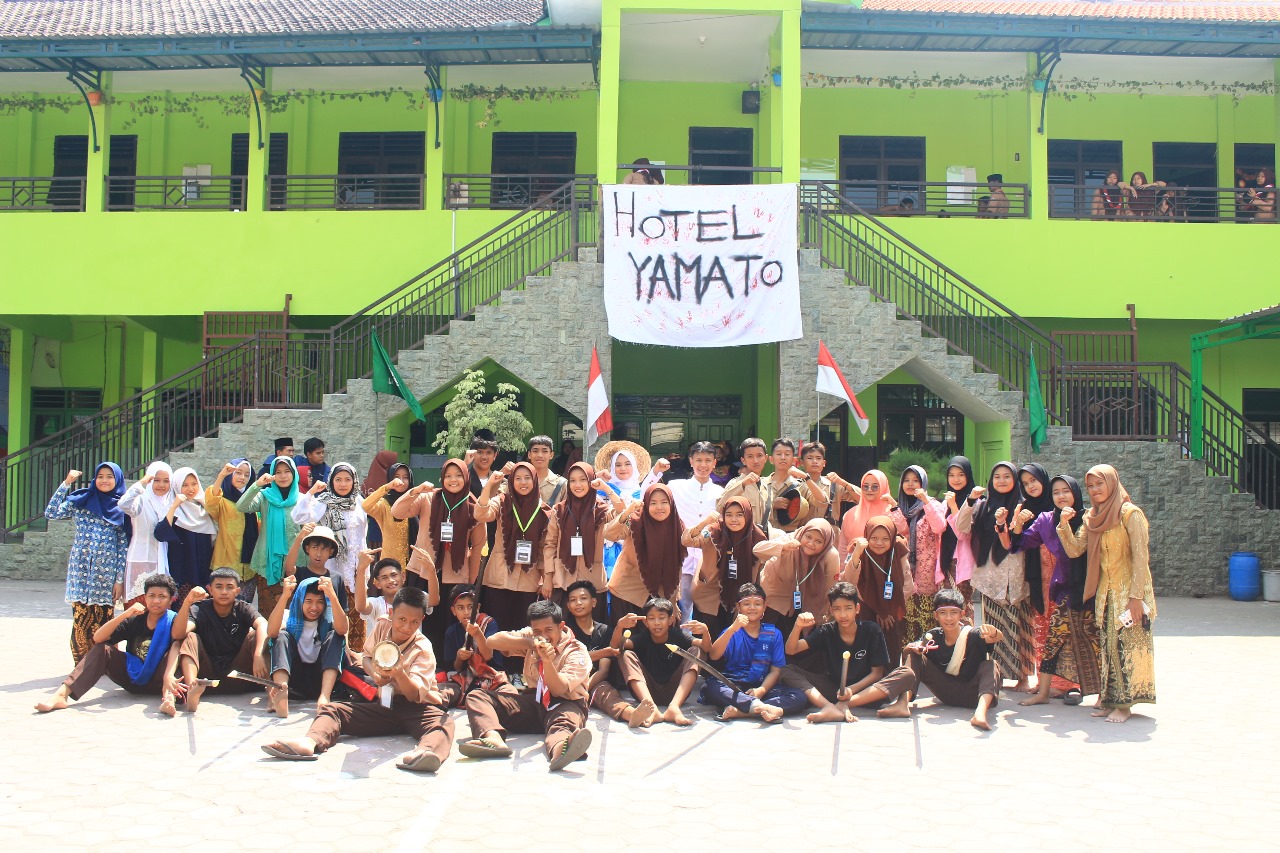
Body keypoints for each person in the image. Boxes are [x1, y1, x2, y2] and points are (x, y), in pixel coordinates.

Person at [261, 586, 454, 773]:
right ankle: (310, 741)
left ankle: (425, 752)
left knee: (444, 723)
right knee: (333, 710)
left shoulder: (423, 648)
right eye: (401, 619)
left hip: (417, 709)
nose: (406, 627)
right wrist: (375, 676)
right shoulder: (382, 624)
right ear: (391, 613)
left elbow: (414, 695)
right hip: (385, 705)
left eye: (414, 622)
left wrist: (400, 674)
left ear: (422, 620)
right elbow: (367, 657)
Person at [1056, 464, 1156, 723]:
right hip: (1105, 594)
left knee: (1127, 648)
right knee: (1109, 649)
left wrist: (1136, 598)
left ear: (1112, 483)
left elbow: (1141, 558)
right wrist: (1064, 525)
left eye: (1100, 483)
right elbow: (1075, 549)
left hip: (1130, 593)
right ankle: (1111, 700)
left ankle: (1124, 705)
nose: (1095, 490)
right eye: (1090, 486)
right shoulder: (1092, 517)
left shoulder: (1130, 514)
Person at [459, 600, 593, 772]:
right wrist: (530, 643)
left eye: (549, 630)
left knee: (562, 723)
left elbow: (559, 689)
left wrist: (547, 661)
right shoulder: (532, 636)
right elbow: (493, 641)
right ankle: (493, 738)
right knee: (477, 696)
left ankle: (561, 748)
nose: (543, 636)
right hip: (534, 701)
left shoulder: (576, 651)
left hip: (566, 703)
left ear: (561, 626)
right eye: (537, 631)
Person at [846, 588, 1003, 730]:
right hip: (945, 692)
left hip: (973, 694)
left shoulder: (973, 635)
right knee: (916, 655)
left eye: (953, 613)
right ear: (936, 615)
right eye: (943, 613)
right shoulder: (933, 635)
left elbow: (994, 638)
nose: (949, 618)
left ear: (962, 614)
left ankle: (980, 714)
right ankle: (902, 704)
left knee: (991, 665)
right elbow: (909, 654)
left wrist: (994, 633)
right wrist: (911, 648)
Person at [36, 572, 183, 716]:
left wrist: (168, 676)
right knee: (102, 649)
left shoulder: (173, 621)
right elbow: (98, 638)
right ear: (144, 597)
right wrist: (125, 614)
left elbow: (177, 647)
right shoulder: (135, 620)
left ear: (171, 600)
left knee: (177, 650)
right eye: (151, 596)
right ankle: (61, 695)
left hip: (162, 680)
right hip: (133, 677)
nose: (156, 601)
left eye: (162, 596)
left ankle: (168, 699)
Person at [1011, 475, 1102, 707]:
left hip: (1090, 588)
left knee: (1093, 640)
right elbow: (1021, 543)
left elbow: (1080, 551)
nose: (1061, 496)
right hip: (1064, 590)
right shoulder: (1046, 520)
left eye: (1066, 491)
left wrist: (1065, 524)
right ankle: (1043, 692)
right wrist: (1017, 525)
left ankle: (1102, 695)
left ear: (1075, 493)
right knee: (1053, 641)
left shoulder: (1089, 517)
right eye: (1056, 492)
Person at [393, 458, 485, 654]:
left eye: (458, 475)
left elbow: (477, 547)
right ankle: (416, 660)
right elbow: (397, 511)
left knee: (447, 625)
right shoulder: (428, 498)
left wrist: (470, 580)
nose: (453, 480)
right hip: (423, 572)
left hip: (455, 576)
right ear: (442, 478)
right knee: (419, 619)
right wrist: (415, 491)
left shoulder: (472, 506)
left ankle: (446, 664)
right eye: (448, 476)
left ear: (466, 478)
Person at [958, 461, 1035, 691]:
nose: (1001, 480)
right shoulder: (982, 506)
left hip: (1017, 575)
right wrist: (970, 501)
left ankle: (1022, 677)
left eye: (1007, 476)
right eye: (997, 476)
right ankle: (994, 675)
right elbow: (962, 527)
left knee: (1018, 627)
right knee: (991, 629)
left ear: (1014, 480)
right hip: (989, 577)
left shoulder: (1024, 506)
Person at [474, 463, 556, 675]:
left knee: (522, 628)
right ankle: (495, 671)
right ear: (511, 481)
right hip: (499, 576)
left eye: (527, 478)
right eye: (517, 478)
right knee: (497, 625)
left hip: (528, 578)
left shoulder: (544, 510)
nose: (522, 483)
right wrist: (489, 485)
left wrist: (545, 578)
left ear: (534, 481)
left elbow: (544, 548)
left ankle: (519, 672)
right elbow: (481, 514)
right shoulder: (502, 502)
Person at [44, 463, 129, 662]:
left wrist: (119, 580)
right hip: (80, 574)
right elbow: (51, 512)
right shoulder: (82, 499)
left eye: (110, 476)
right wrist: (66, 483)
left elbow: (122, 546)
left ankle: (105, 663)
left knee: (105, 620)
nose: (104, 480)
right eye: (100, 476)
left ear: (117, 480)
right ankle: (82, 665)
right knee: (81, 619)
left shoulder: (122, 506)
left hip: (105, 576)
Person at [782, 582, 890, 724]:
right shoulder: (826, 631)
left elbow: (877, 673)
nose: (843, 614)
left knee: (905, 674)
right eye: (837, 609)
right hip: (835, 690)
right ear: (831, 610)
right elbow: (791, 649)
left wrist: (850, 690)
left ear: (857, 608)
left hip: (865, 692)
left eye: (848, 608)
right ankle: (828, 707)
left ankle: (843, 705)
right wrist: (797, 626)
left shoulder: (872, 630)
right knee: (786, 671)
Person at [592, 599, 711, 727]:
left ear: (670, 620)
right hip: (646, 693)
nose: (657, 623)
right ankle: (651, 708)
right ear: (646, 622)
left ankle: (674, 707)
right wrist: (619, 626)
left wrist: (705, 632)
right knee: (624, 654)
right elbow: (616, 647)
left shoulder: (678, 635)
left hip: (675, 691)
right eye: (652, 618)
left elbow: (706, 648)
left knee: (697, 651)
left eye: (661, 618)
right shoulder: (643, 637)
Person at [699, 583, 808, 722]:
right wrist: (733, 628)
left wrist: (761, 690)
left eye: (757, 604)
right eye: (746, 604)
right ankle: (759, 707)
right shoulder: (731, 631)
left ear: (764, 607)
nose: (752, 608)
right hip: (733, 686)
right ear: (738, 607)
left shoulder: (774, 634)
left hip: (761, 685)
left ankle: (743, 711)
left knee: (799, 696)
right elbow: (714, 655)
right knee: (711, 687)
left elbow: (776, 671)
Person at [292, 462, 368, 652]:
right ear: (331, 481)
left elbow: (363, 534)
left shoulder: (359, 502)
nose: (343, 484)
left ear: (354, 481)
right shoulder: (324, 502)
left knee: (358, 613)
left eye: (347, 479)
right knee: (332, 614)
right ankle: (332, 655)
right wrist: (311, 493)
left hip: (357, 567)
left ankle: (356, 657)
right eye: (338, 479)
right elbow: (298, 516)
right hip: (333, 568)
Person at [173, 568, 270, 711]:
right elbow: (178, 634)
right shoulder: (200, 609)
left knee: (257, 636)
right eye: (219, 587)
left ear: (237, 591)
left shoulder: (243, 608)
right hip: (206, 677)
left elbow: (263, 624)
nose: (224, 592)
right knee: (189, 637)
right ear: (210, 590)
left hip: (238, 674)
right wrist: (187, 602)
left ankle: (272, 694)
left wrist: (258, 655)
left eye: (229, 587)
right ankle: (192, 689)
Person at [265, 574, 348, 716]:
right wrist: (285, 596)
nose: (314, 607)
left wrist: (332, 596)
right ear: (300, 600)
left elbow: (342, 629)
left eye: (320, 602)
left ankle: (324, 697)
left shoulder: (329, 618)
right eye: (308, 601)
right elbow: (272, 632)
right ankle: (280, 690)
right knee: (280, 636)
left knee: (336, 636)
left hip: (320, 679)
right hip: (294, 680)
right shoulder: (288, 616)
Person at [684, 497, 766, 638]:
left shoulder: (757, 537)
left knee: (733, 640)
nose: (733, 519)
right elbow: (687, 541)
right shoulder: (713, 531)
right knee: (706, 638)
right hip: (709, 596)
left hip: (741, 599)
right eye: (729, 515)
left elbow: (768, 557)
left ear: (747, 515)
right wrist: (704, 522)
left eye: (739, 515)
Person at [549, 462, 620, 619]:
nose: (577, 485)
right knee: (563, 627)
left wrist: (606, 489)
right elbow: (550, 545)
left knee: (594, 628)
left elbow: (622, 513)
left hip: (592, 581)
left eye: (583, 480)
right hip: (563, 580)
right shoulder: (559, 510)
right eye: (572, 480)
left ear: (590, 482)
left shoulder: (601, 510)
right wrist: (547, 577)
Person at [236, 456, 303, 619]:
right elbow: (241, 506)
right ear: (272, 474)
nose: (283, 476)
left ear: (294, 473)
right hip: (267, 563)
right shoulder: (265, 496)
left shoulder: (301, 499)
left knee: (295, 614)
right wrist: (257, 485)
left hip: (296, 564)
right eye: (278, 472)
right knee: (269, 613)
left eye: (287, 471)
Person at [606, 484, 686, 619]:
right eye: (653, 503)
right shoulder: (635, 520)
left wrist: (672, 599)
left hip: (662, 594)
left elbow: (676, 565)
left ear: (671, 504)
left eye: (664, 502)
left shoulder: (677, 526)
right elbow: (609, 534)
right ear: (646, 503)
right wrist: (627, 511)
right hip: (628, 592)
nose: (659, 507)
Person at [1003, 464, 1056, 666]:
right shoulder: (1023, 508)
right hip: (1036, 573)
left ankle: (1064, 680)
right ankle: (1044, 677)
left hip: (1059, 572)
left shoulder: (1058, 503)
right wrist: (1018, 524)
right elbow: (1014, 545)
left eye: (1033, 480)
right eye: (1025, 483)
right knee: (1041, 622)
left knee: (1060, 624)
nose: (1030, 486)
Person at [667, 441, 725, 622]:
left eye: (708, 460)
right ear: (691, 461)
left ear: (714, 463)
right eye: (699, 460)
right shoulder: (675, 486)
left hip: (706, 559)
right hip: (681, 555)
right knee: (680, 606)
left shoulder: (720, 492)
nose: (703, 465)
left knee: (704, 609)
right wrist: (655, 472)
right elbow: (649, 493)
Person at [843, 515, 912, 664]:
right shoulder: (859, 548)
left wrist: (888, 610)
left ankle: (889, 676)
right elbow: (849, 581)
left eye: (885, 539)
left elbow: (907, 585)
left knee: (891, 649)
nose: (879, 543)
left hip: (892, 610)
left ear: (892, 538)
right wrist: (857, 554)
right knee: (866, 651)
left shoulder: (898, 550)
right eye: (874, 538)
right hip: (865, 607)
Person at [755, 517, 842, 634]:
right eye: (808, 537)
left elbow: (829, 588)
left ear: (825, 543)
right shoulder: (792, 539)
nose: (811, 543)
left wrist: (822, 614)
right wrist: (783, 547)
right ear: (803, 533)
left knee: (799, 637)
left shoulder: (830, 555)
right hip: (775, 598)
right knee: (768, 637)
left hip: (808, 602)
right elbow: (757, 549)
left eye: (818, 541)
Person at [595, 439, 667, 578]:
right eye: (618, 465)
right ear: (612, 468)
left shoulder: (641, 492)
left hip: (635, 545)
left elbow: (648, 483)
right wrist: (597, 477)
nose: (623, 468)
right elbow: (584, 493)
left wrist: (657, 469)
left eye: (627, 464)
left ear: (634, 466)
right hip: (609, 545)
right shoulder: (602, 489)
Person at [893, 465, 947, 646]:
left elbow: (939, 527)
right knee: (905, 622)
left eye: (915, 480)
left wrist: (925, 501)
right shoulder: (898, 507)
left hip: (927, 573)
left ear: (923, 483)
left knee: (926, 621)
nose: (910, 484)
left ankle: (926, 659)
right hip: (904, 572)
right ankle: (908, 659)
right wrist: (894, 509)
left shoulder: (933, 504)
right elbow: (899, 532)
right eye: (906, 480)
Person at [153, 466, 217, 608]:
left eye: (194, 484)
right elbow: (160, 534)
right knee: (181, 612)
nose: (190, 489)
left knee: (202, 612)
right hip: (181, 574)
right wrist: (174, 506)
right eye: (185, 485)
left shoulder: (204, 508)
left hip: (203, 572)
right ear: (176, 486)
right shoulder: (173, 509)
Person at [437, 585, 508, 705]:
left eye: (471, 607)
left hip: (493, 678)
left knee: (508, 695)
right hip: (465, 680)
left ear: (478, 607)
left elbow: (488, 656)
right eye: (460, 608)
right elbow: (456, 668)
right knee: (439, 693)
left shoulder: (489, 623)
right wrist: (459, 656)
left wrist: (478, 635)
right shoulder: (452, 632)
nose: (466, 612)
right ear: (454, 611)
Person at [205, 460, 260, 602]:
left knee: (244, 607)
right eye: (238, 473)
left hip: (248, 567)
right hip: (226, 562)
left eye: (247, 475)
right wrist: (222, 475)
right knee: (223, 606)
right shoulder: (223, 500)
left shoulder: (253, 502)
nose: (242, 477)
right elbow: (211, 502)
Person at [119, 460, 174, 601]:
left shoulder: (170, 503)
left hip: (162, 559)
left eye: (166, 481)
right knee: (138, 603)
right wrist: (141, 483)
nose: (161, 485)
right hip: (140, 559)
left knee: (158, 605)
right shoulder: (141, 500)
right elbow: (123, 504)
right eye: (156, 480)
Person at [838, 468, 906, 564]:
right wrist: (843, 569)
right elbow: (843, 547)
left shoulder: (891, 512)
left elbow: (903, 532)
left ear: (883, 487)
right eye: (865, 487)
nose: (869, 490)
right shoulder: (851, 514)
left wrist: (894, 506)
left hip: (884, 566)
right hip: (857, 567)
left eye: (875, 487)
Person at [361, 458, 414, 571]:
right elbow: (366, 505)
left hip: (413, 562)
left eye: (405, 477)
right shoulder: (384, 504)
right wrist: (387, 487)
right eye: (396, 477)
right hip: (390, 563)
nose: (401, 481)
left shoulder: (415, 501)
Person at [938, 456, 978, 604]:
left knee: (961, 606)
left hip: (963, 561)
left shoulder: (975, 502)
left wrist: (954, 507)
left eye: (961, 474)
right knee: (946, 606)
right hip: (945, 559)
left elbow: (962, 534)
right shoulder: (946, 501)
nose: (956, 479)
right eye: (951, 475)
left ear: (968, 475)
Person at [762, 438, 824, 534]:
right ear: (771, 459)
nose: (783, 457)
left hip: (790, 537)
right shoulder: (761, 484)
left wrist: (806, 477)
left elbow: (822, 501)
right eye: (778, 454)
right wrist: (772, 505)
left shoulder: (802, 486)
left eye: (787, 454)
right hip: (765, 536)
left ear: (794, 460)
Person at [563, 580, 615, 691]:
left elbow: (603, 671)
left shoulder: (604, 631)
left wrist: (584, 690)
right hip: (568, 684)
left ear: (594, 602)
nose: (578, 603)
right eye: (573, 600)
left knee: (609, 694)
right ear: (568, 606)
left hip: (595, 683)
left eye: (583, 598)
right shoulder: (564, 631)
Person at [283, 524, 349, 610]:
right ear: (307, 549)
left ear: (331, 552)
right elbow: (288, 569)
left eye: (324, 549)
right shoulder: (299, 573)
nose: (319, 554)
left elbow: (343, 609)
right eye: (315, 547)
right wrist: (299, 539)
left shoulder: (337, 578)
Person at [799, 442, 860, 525]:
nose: (815, 461)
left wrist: (844, 483)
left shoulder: (833, 485)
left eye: (818, 458)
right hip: (805, 530)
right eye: (810, 458)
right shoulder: (797, 485)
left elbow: (862, 499)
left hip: (831, 530)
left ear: (824, 463)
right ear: (802, 463)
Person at [717, 437, 769, 523]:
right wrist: (742, 484)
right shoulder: (735, 483)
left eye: (759, 456)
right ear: (743, 460)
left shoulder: (767, 486)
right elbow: (719, 508)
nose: (756, 461)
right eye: (750, 456)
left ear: (766, 458)